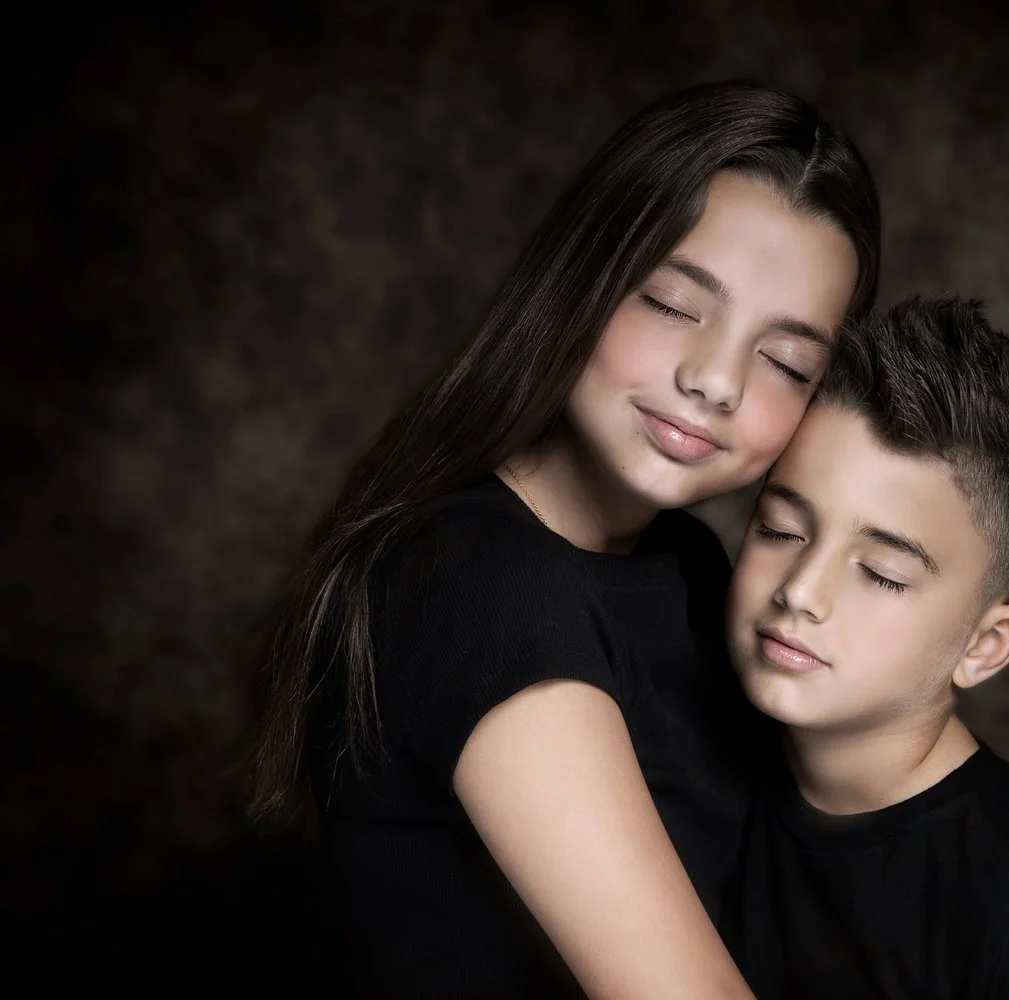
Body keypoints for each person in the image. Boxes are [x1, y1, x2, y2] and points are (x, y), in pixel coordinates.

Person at [246, 80, 880, 998]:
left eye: (786, 361)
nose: (716, 380)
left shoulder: (694, 571)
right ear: (584, 278)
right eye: (671, 303)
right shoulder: (478, 584)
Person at [724, 296, 1009, 998]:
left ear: (984, 647)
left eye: (882, 574)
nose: (801, 590)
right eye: (780, 530)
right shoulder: (674, 740)